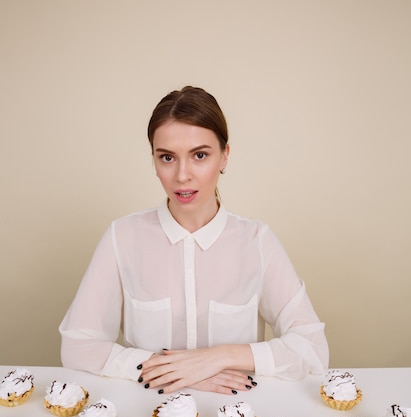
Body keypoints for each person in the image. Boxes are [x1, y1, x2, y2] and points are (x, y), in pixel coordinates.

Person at [59, 85, 329, 395]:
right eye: (167, 157)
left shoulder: (257, 242)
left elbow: (312, 348)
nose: (182, 175)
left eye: (199, 155)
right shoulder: (122, 236)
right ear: (154, 160)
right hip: (147, 414)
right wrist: (182, 373)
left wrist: (217, 358)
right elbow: (78, 346)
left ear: (224, 157)